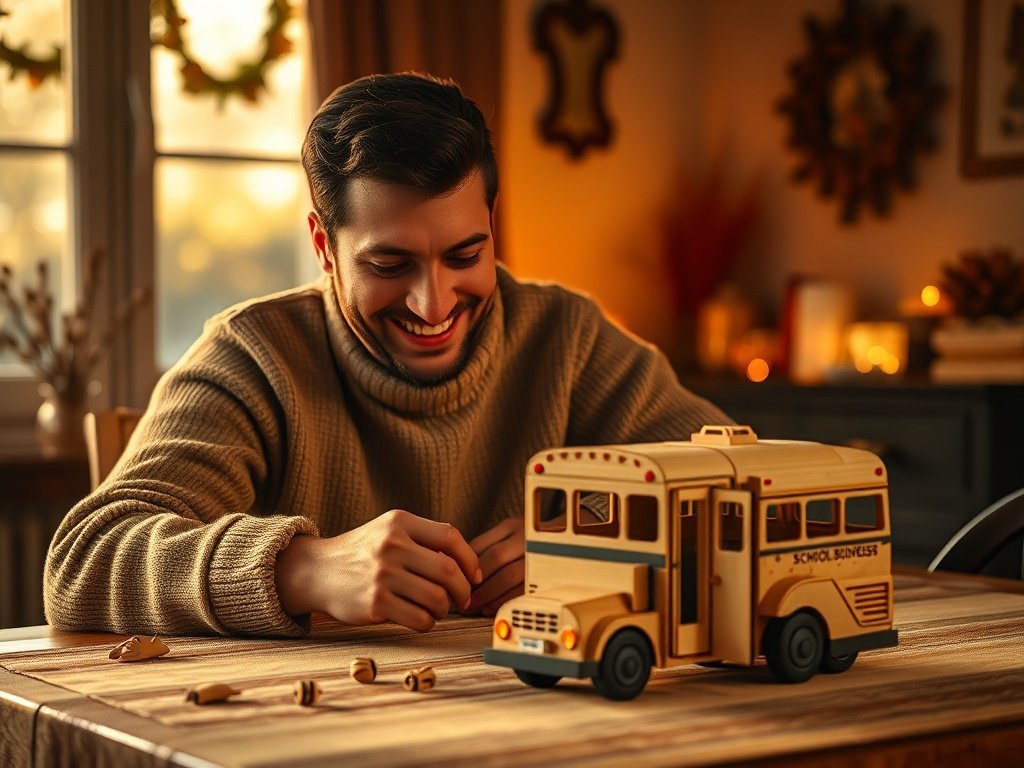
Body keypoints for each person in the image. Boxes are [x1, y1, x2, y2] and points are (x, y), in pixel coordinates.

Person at [44, 73, 729, 638]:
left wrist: (596, 548)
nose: (434, 305)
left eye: (465, 255)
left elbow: (735, 488)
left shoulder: (567, 338)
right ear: (323, 245)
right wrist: (303, 568)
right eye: (390, 263)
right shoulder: (254, 356)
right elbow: (83, 564)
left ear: (492, 225)